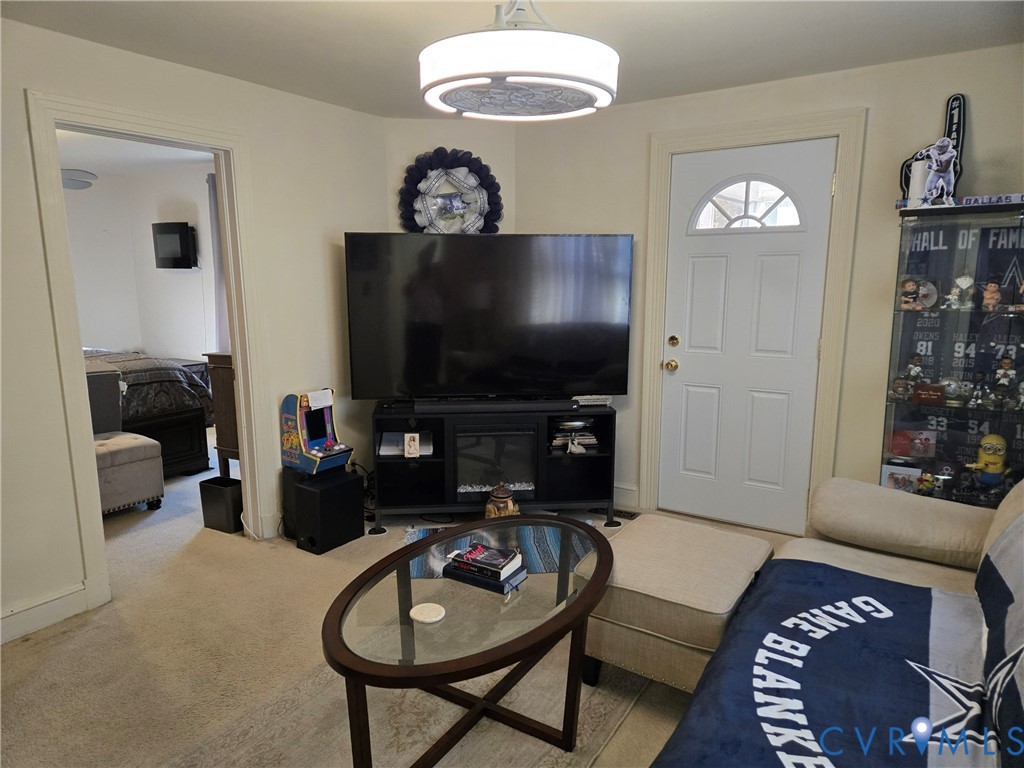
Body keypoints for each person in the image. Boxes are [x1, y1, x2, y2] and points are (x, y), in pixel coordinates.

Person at [915, 136, 957, 206]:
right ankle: (937, 185)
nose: (939, 149)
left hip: (947, 173)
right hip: (936, 172)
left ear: (948, 147)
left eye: (942, 147)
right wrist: (923, 152)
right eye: (938, 146)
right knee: (928, 188)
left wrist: (932, 167)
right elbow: (930, 148)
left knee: (949, 190)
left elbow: (944, 169)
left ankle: (947, 198)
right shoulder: (934, 148)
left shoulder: (951, 153)